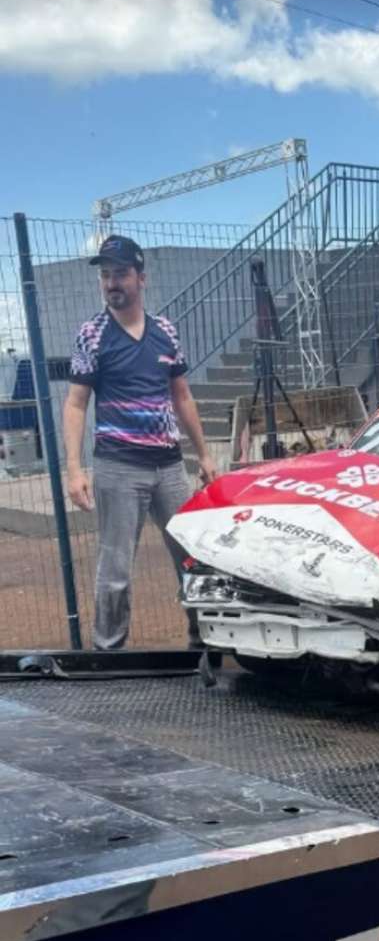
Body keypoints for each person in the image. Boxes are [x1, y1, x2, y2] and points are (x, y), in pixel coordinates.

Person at [64, 235, 217, 650]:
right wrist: (75, 469)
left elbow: (182, 396)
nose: (112, 283)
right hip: (118, 467)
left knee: (192, 558)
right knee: (115, 569)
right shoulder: (92, 334)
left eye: (120, 273)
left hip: (170, 468)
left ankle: (204, 642)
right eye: (105, 275)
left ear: (141, 278)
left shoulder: (165, 331)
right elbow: (76, 403)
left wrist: (204, 455)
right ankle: (109, 650)